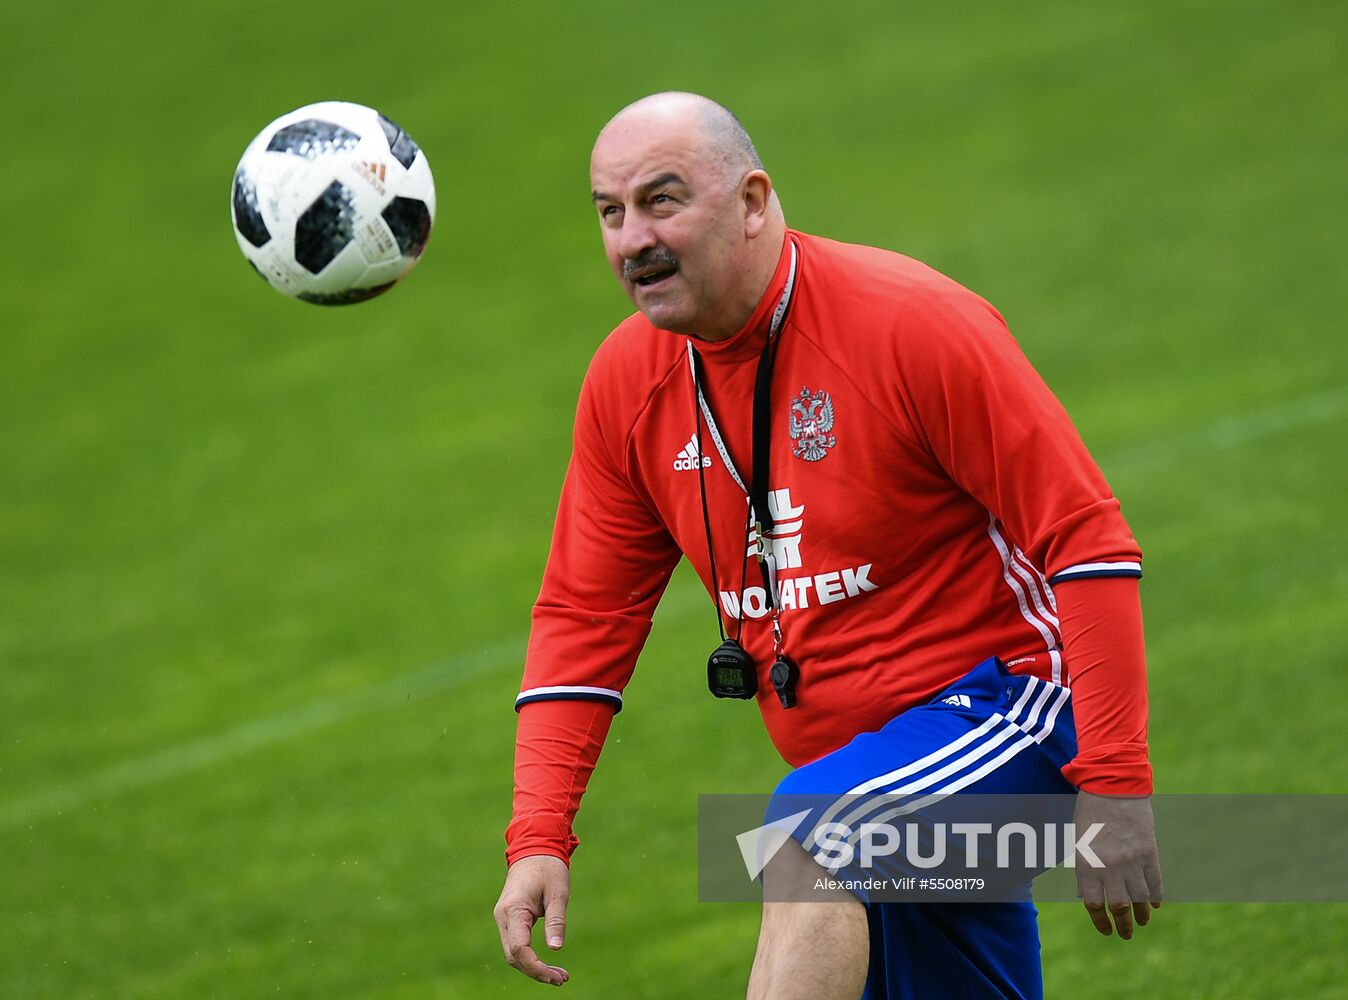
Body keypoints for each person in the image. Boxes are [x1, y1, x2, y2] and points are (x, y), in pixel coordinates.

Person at [492, 91, 1163, 999]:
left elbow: (1085, 540)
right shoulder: (627, 385)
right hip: (876, 763)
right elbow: (584, 617)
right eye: (610, 213)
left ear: (754, 201)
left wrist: (1116, 780)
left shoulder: (910, 322)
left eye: (661, 201)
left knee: (814, 837)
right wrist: (538, 835)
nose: (630, 240)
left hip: (1020, 713)